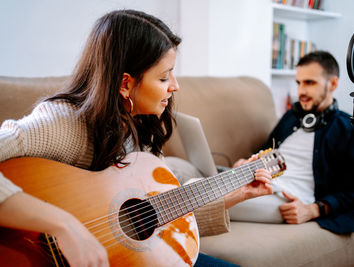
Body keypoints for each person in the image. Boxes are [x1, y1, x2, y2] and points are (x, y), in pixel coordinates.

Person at [0, 9, 273, 266]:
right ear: (125, 84)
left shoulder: (138, 132)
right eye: (164, 77)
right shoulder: (61, 122)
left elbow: (153, 223)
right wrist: (63, 224)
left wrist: (233, 195)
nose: (175, 86)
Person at [229, 51, 354, 234]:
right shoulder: (292, 117)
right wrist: (246, 164)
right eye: (299, 83)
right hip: (258, 183)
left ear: (333, 84)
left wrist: (313, 209)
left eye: (309, 83)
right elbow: (263, 152)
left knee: (200, 196)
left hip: (283, 197)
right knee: (188, 174)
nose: (301, 91)